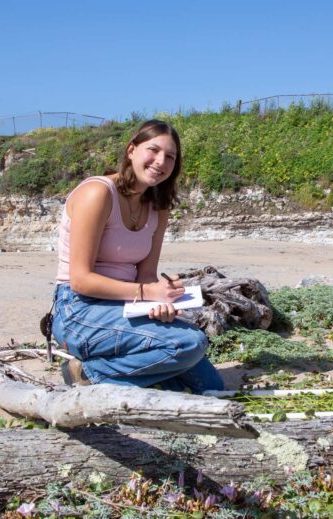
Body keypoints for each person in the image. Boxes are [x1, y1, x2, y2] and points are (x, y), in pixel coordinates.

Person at [49, 120, 224, 393]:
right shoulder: (97, 193)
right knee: (190, 343)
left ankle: (120, 375)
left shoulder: (158, 206)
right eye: (153, 150)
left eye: (170, 156)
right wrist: (148, 293)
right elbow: (81, 280)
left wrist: (159, 302)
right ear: (131, 150)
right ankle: (88, 373)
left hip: (126, 305)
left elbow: (146, 274)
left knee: (210, 386)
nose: (160, 161)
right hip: (78, 309)